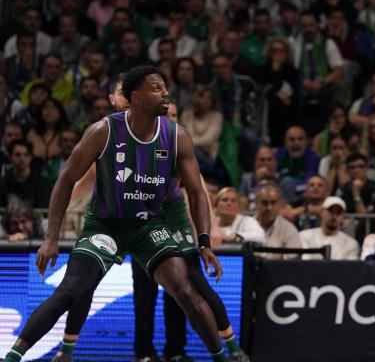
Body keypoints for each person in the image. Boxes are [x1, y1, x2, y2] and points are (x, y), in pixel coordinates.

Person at [2, 66, 231, 362]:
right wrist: (50, 238)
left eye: (165, 87)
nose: (166, 94)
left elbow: (198, 192)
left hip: (150, 226)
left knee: (186, 290)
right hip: (106, 225)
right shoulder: (103, 131)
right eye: (157, 88)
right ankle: (13, 356)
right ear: (136, 98)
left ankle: (223, 357)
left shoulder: (177, 136)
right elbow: (66, 180)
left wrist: (203, 242)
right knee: (70, 291)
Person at [299, 196, 360, 260]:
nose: (334, 216)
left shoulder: (350, 244)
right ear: (322, 212)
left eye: (338, 213)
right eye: (331, 211)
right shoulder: (304, 236)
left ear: (342, 217)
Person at [255, 183, 302, 259]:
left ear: (280, 204)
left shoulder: (289, 230)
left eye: (273, 203)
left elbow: (292, 263)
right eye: (264, 203)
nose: (269, 208)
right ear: (256, 204)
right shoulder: (246, 226)